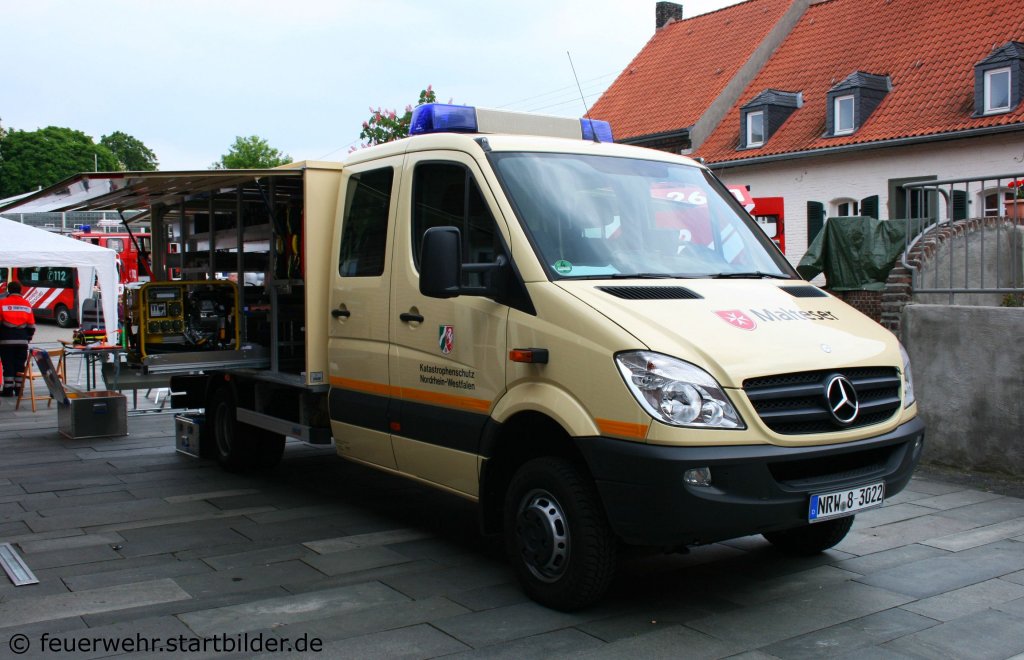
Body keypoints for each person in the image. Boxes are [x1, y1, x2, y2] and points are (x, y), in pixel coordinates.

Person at [0, 281, 36, 396]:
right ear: (20, 290)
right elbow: (31, 326)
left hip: (6, 341)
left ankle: (8, 389)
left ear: (9, 291)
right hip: (22, 341)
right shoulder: (26, 304)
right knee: (20, 364)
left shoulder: (2, 303)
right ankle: (19, 389)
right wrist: (28, 338)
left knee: (8, 365)